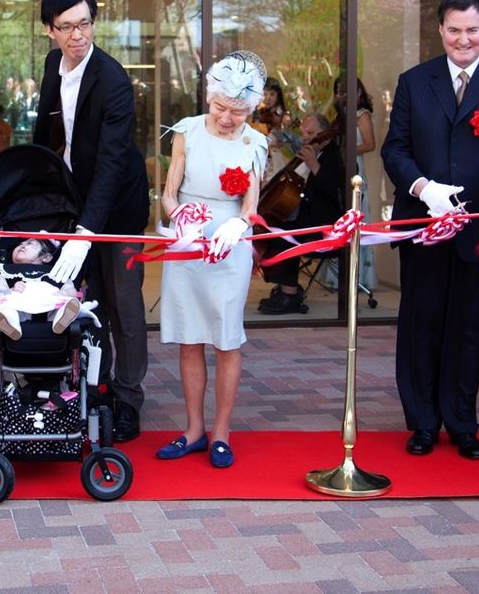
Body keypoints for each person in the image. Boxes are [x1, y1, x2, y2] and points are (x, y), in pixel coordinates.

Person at [380, 0, 479, 460]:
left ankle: (462, 422)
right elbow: (395, 149)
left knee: (468, 327)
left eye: (471, 30)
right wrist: (423, 188)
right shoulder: (414, 81)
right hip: (425, 226)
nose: (463, 39)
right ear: (440, 30)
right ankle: (423, 422)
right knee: (421, 322)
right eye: (453, 30)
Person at [32, 0, 150, 443]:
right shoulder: (52, 65)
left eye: (85, 24)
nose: (78, 35)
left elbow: (111, 164)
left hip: (118, 207)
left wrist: (86, 232)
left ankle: (129, 397)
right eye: (67, 27)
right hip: (77, 201)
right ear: (50, 30)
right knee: (87, 301)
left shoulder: (113, 79)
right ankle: (96, 388)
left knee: (123, 305)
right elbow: (47, 134)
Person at [156, 52, 268, 469]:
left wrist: (238, 226)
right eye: (221, 107)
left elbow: (250, 206)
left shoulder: (254, 142)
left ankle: (222, 432)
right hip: (188, 240)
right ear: (209, 97)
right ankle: (193, 430)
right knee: (190, 338)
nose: (226, 118)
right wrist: (180, 218)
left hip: (228, 245)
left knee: (226, 338)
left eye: (237, 112)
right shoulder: (186, 131)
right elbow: (169, 194)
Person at [257, 112, 345, 314]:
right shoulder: (311, 152)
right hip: (308, 216)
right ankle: (286, 287)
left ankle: (289, 296)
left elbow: (336, 192)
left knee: (284, 235)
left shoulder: (334, 157)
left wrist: (314, 165)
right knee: (273, 229)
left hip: (324, 222)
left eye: (311, 133)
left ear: (326, 135)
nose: (305, 137)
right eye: (303, 132)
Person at [318, 75, 378, 293]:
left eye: (346, 91)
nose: (342, 95)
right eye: (339, 91)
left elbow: (370, 144)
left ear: (358, 92)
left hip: (355, 168)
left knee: (356, 216)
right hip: (340, 167)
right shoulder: (340, 117)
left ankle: (358, 276)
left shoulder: (362, 114)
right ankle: (336, 276)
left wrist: (346, 150)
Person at [0, 237, 97, 340]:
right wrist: (11, 290)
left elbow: (70, 289)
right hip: (20, 308)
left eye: (30, 243)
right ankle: (10, 324)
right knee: (6, 307)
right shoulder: (7, 273)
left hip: (51, 305)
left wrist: (64, 293)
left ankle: (62, 319)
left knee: (65, 304)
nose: (22, 245)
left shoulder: (56, 273)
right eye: (20, 244)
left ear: (46, 257)